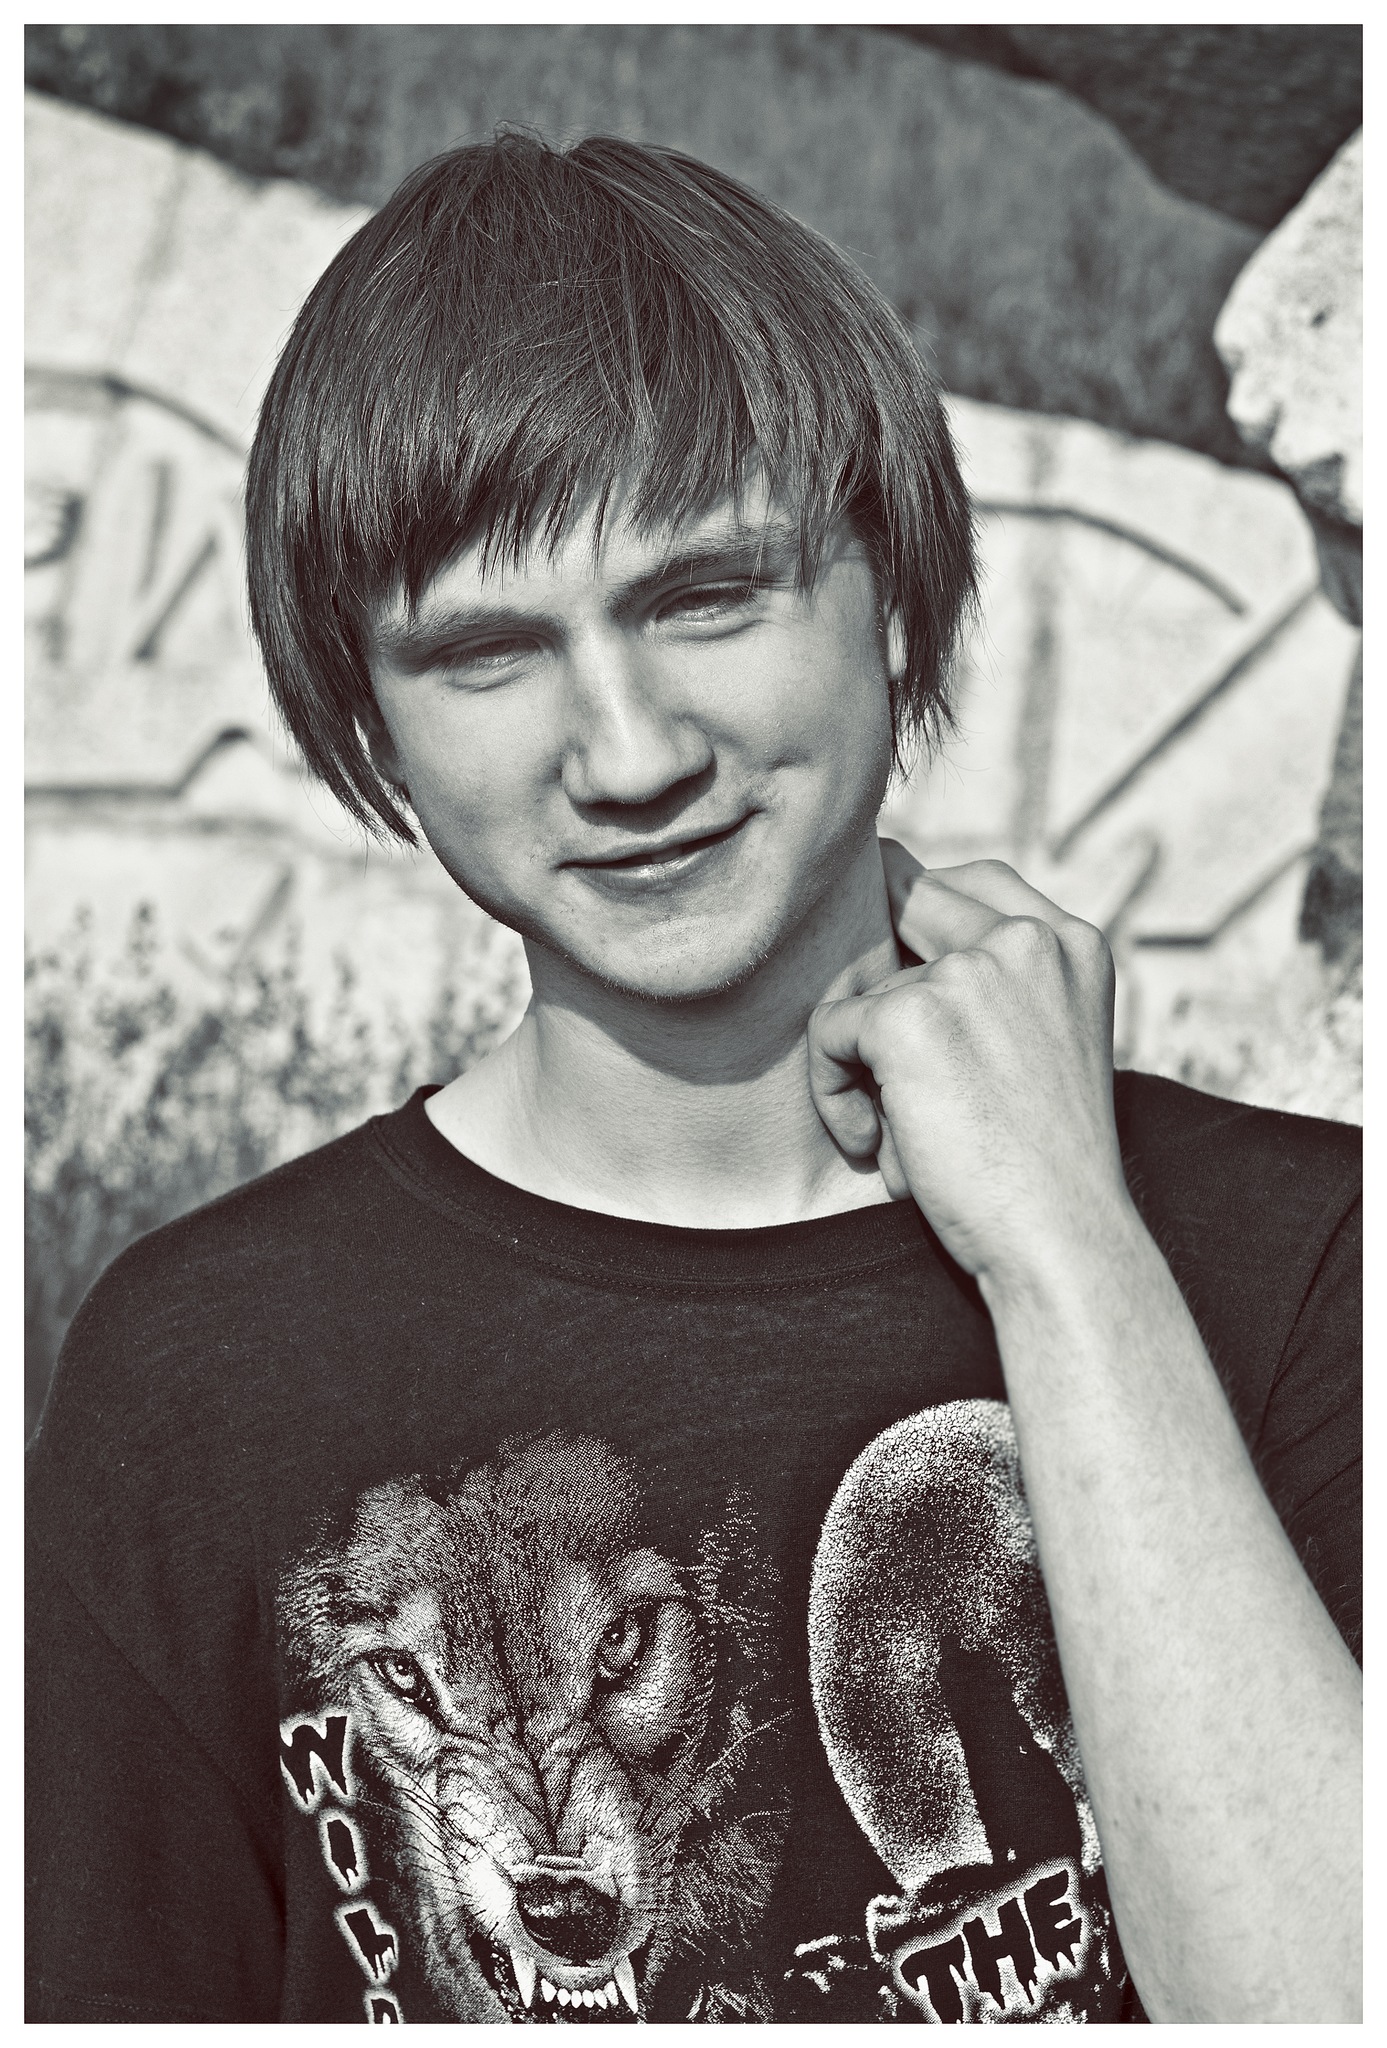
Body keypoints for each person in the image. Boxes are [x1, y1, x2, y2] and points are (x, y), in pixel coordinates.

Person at [26, 133, 1360, 2026]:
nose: (631, 753)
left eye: (709, 597)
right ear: (372, 726)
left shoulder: (1314, 1266)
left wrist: (1072, 1253)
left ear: (891, 593)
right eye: (488, 655)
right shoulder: (200, 1365)